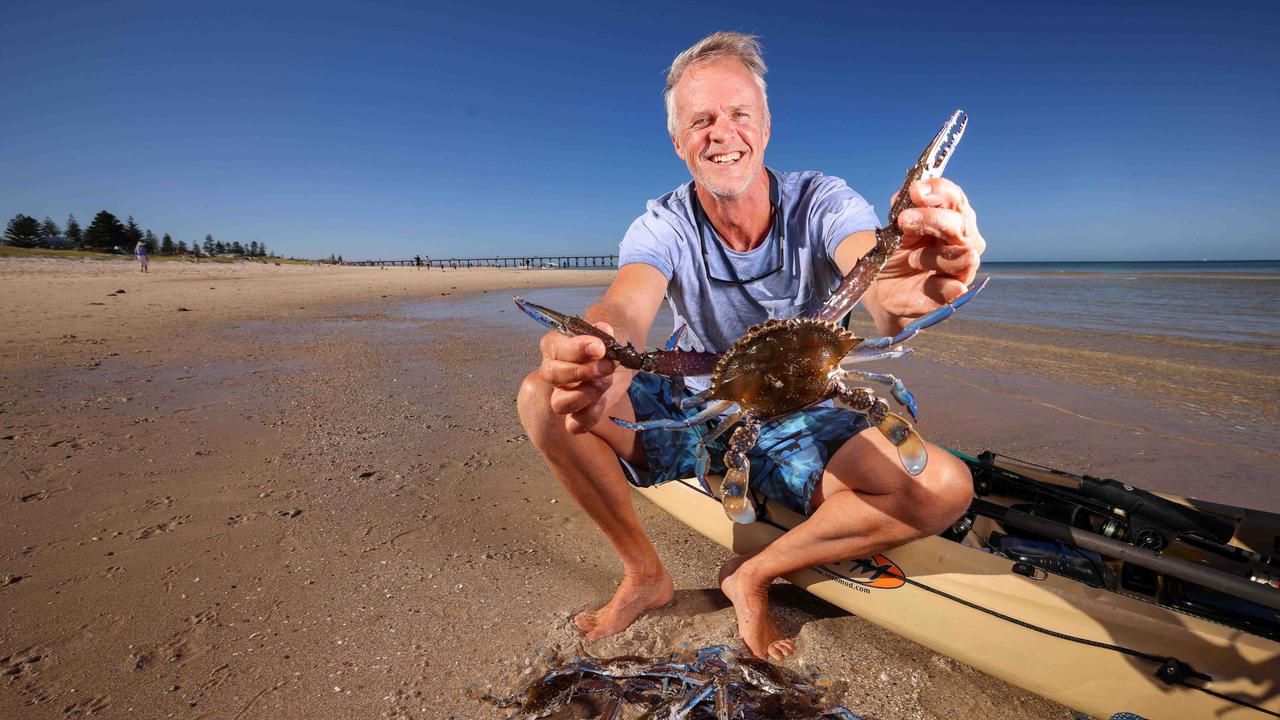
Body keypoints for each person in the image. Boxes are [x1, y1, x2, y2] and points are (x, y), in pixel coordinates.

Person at [517, 32, 986, 660]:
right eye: (701, 120)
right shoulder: (664, 224)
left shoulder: (820, 201)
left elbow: (868, 271)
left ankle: (755, 572)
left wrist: (901, 294)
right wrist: (599, 348)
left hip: (812, 405)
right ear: (678, 141)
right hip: (706, 405)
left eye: (739, 113)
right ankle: (644, 575)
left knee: (944, 488)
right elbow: (627, 304)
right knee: (543, 395)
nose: (722, 132)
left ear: (765, 126)